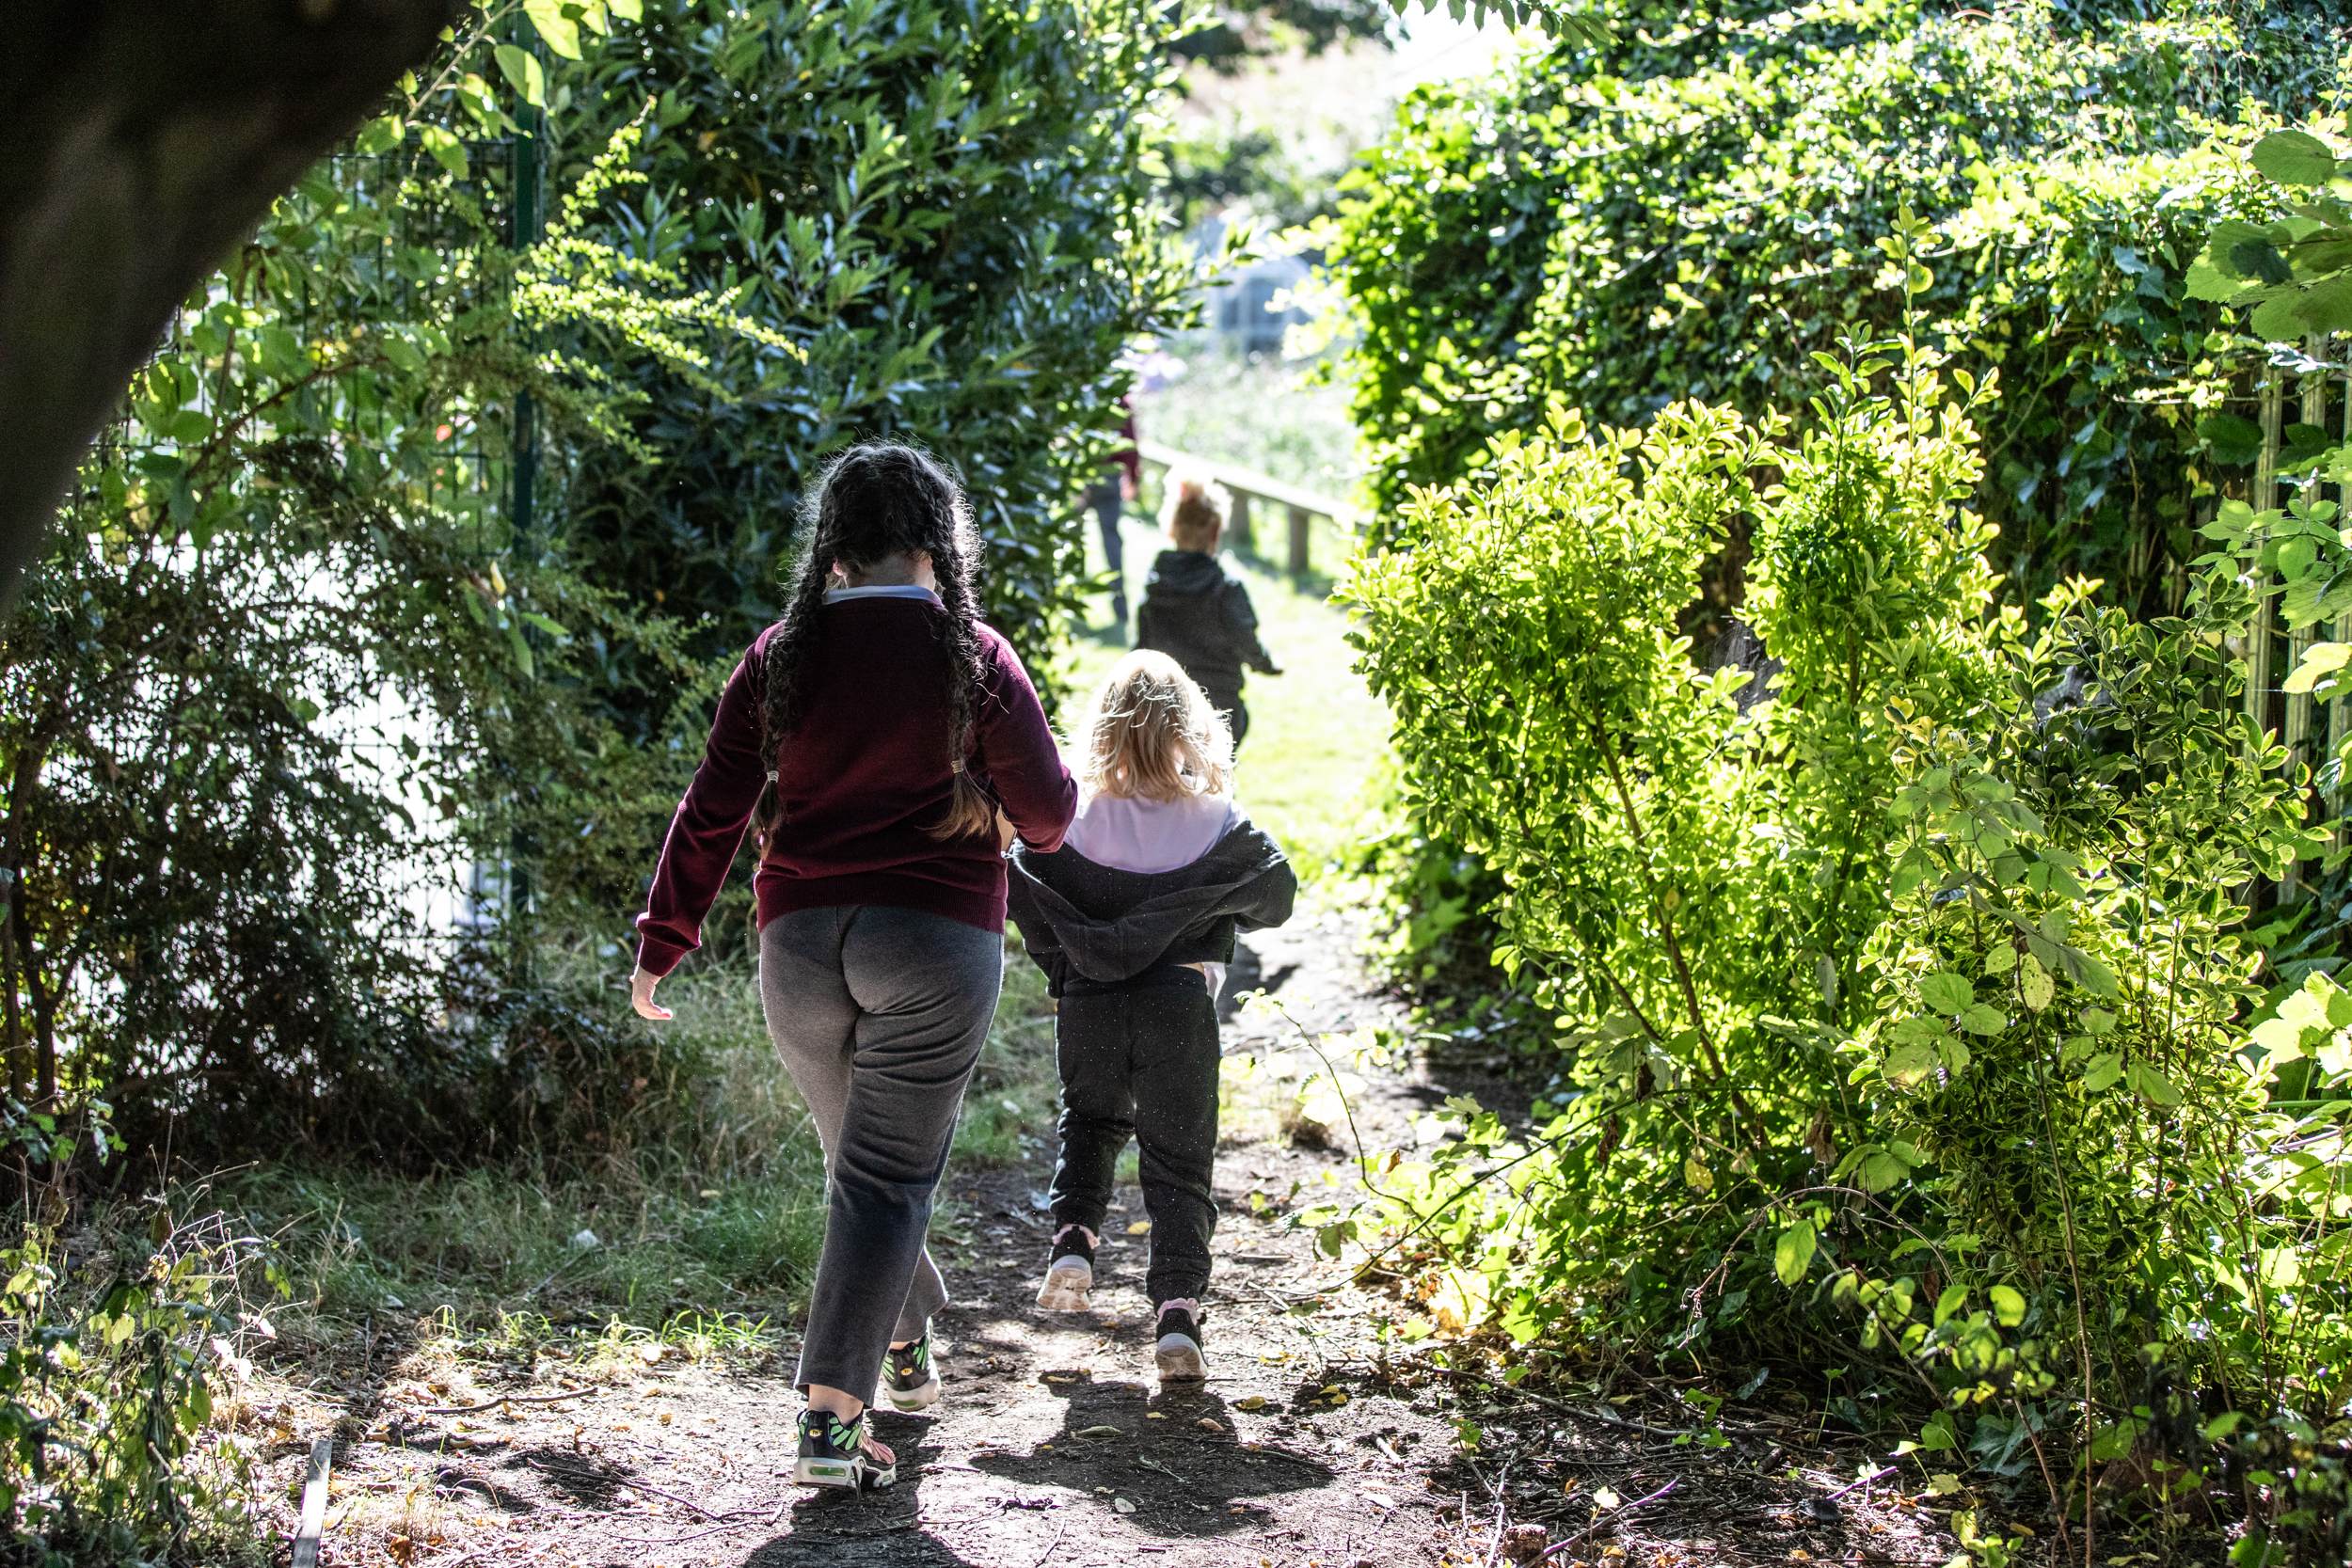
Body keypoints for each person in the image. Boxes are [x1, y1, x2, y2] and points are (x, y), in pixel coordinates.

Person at [629, 443, 1076, 1492]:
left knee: (863, 1173)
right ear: (936, 543)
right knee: (882, 1179)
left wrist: (663, 940)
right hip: (933, 944)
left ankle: (904, 1340)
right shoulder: (973, 655)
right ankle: (831, 1423)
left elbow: (714, 804)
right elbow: (1051, 818)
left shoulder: (779, 655)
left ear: (832, 546)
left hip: (796, 953)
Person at [1003, 650, 1295, 1382]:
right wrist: (1210, 901)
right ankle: (1176, 1314)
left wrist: (1064, 964)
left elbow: (1016, 884)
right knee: (1180, 1158)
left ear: (1102, 729)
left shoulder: (1070, 820)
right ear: (1189, 728)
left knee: (1091, 1119)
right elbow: (1279, 893)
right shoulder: (1216, 820)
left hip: (1089, 1004)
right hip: (1180, 1005)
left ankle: (1073, 1240)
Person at [1134, 472, 1281, 749]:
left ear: (1171, 529)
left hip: (1166, 709)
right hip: (1220, 709)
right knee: (1215, 782)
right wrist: (1266, 664)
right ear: (1215, 532)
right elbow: (1244, 638)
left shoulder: (1154, 588)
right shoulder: (1227, 589)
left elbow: (1140, 650)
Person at [1085, 402, 1142, 626]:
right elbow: (1131, 444)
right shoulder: (1120, 402)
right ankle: (1121, 611)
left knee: (1075, 540)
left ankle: (1074, 606)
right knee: (1112, 544)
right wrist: (1133, 478)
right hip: (1108, 477)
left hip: (1087, 475)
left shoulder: (1088, 394)